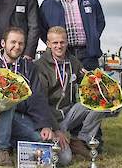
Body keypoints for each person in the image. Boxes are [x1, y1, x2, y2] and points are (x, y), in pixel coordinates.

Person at [0, 27, 54, 167]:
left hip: (20, 118)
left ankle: (4, 141)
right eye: (13, 42)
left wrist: (44, 125)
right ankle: (1, 148)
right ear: (3, 43)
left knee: (41, 140)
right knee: (7, 102)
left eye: (21, 43)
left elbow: (37, 97)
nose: (17, 46)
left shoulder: (29, 67)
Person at [35, 26, 111, 165]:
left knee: (101, 103)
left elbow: (87, 81)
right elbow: (41, 104)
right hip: (51, 118)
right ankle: (63, 141)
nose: (59, 46)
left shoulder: (73, 61)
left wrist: (101, 84)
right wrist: (56, 130)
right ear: (48, 44)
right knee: (65, 160)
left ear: (67, 42)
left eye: (62, 42)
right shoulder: (40, 66)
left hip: (69, 113)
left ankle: (80, 140)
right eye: (55, 43)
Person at [39, 0, 105, 70]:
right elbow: (42, 29)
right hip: (63, 54)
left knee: (90, 84)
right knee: (66, 85)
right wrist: (54, 45)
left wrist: (94, 37)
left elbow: (100, 21)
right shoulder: (47, 5)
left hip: (89, 54)